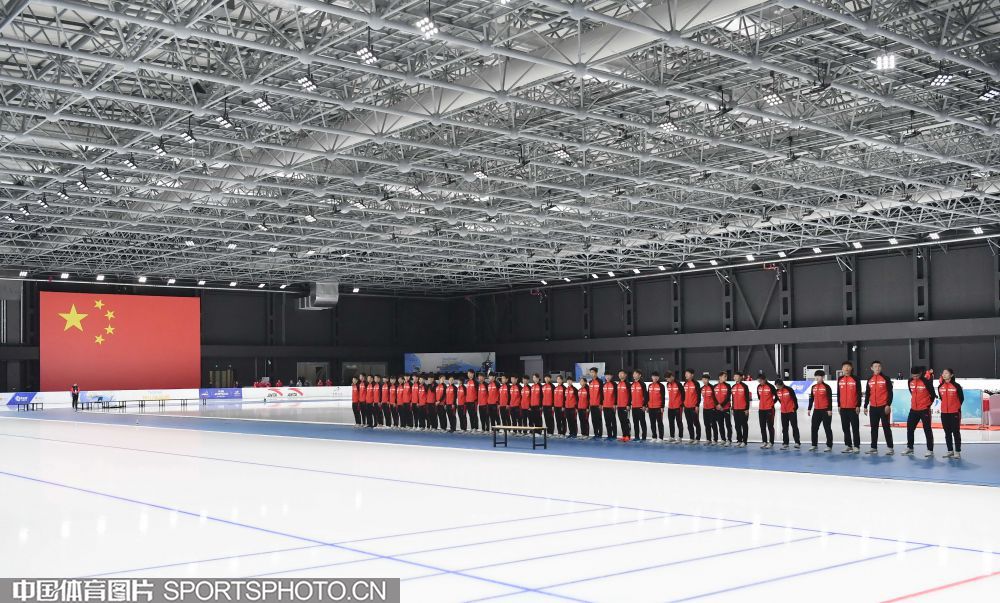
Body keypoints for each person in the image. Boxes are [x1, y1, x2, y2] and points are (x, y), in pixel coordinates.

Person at [904, 366, 935, 457]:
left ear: (921, 373)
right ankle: (910, 448)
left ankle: (930, 450)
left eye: (917, 376)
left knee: (927, 429)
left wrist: (927, 405)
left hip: (924, 409)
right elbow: (912, 392)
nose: (915, 378)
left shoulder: (926, 382)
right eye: (913, 376)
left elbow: (933, 394)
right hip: (913, 409)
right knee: (910, 428)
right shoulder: (910, 381)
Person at [864, 360, 894, 455]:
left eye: (879, 366)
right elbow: (868, 393)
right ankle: (873, 447)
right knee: (874, 428)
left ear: (881, 368)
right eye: (875, 366)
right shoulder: (869, 379)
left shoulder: (886, 378)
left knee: (886, 428)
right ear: (871, 368)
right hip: (873, 407)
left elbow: (890, 393)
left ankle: (890, 448)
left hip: (883, 407)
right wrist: (865, 406)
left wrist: (888, 404)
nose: (877, 368)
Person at [837, 361, 862, 453]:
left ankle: (856, 446)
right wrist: (839, 405)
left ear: (851, 368)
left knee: (855, 428)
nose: (846, 368)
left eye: (848, 366)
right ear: (842, 369)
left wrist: (858, 405)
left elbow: (859, 393)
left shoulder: (856, 379)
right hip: (843, 408)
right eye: (844, 367)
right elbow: (839, 393)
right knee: (845, 427)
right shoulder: (840, 379)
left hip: (853, 408)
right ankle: (848, 445)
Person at [938, 368, 963, 460]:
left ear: (951, 375)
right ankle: (950, 451)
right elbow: (941, 398)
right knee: (947, 432)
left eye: (946, 373)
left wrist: (956, 407)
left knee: (956, 432)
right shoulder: (940, 386)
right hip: (944, 413)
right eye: (943, 373)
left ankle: (957, 451)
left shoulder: (956, 386)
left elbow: (961, 398)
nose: (944, 375)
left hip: (954, 412)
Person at [808, 370, 834, 452]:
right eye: (816, 376)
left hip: (825, 410)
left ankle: (829, 445)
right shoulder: (813, 387)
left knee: (827, 428)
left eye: (819, 376)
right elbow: (811, 398)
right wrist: (809, 408)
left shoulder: (827, 387)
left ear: (823, 377)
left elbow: (830, 399)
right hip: (816, 410)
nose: (817, 378)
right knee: (814, 428)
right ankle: (814, 444)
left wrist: (829, 409)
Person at [775, 378, 800, 449]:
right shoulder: (777, 391)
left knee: (794, 427)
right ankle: (785, 443)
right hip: (783, 412)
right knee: (784, 428)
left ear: (781, 384)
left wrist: (795, 408)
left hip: (791, 411)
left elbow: (794, 399)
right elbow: (778, 400)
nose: (777, 387)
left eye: (778, 386)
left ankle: (797, 442)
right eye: (776, 386)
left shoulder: (789, 389)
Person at [731, 371, 752, 447]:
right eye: (734, 376)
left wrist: (747, 409)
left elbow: (747, 398)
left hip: (743, 409)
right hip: (735, 409)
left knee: (744, 425)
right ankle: (739, 440)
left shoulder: (744, 386)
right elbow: (733, 398)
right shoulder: (733, 386)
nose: (735, 377)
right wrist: (732, 408)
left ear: (740, 377)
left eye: (736, 376)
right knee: (737, 425)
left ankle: (744, 441)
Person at [756, 374, 777, 449]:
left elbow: (777, 395)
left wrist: (772, 403)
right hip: (761, 409)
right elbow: (759, 397)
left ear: (765, 379)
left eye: (761, 380)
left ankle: (771, 442)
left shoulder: (770, 386)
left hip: (769, 409)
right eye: (758, 381)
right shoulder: (758, 387)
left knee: (770, 426)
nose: (760, 382)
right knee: (762, 426)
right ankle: (764, 441)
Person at [681, 369, 701, 444]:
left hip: (693, 407)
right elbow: (683, 395)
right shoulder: (685, 383)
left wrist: (697, 405)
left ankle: (698, 438)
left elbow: (698, 395)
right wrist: (683, 404)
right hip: (686, 407)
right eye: (685, 373)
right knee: (689, 423)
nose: (686, 375)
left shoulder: (696, 383)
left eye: (687, 373)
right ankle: (691, 438)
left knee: (696, 423)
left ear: (692, 375)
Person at [714, 372, 733, 446]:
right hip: (718, 409)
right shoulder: (715, 386)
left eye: (726, 376)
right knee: (720, 424)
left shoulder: (728, 386)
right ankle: (723, 439)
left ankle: (729, 440)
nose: (726, 378)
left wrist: (721, 405)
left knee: (728, 424)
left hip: (726, 408)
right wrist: (717, 405)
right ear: (720, 377)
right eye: (724, 376)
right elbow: (713, 397)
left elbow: (728, 397)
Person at [700, 373, 719, 445]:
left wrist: (715, 407)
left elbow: (716, 398)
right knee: (706, 424)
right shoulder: (702, 388)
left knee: (713, 424)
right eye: (703, 379)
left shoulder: (712, 387)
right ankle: (708, 439)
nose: (704, 381)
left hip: (712, 408)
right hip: (705, 409)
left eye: (706, 379)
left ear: (708, 380)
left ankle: (715, 440)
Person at [665, 371, 683, 442]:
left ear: (672, 377)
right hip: (670, 406)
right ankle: (672, 436)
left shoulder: (678, 384)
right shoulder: (667, 384)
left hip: (678, 406)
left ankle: (680, 437)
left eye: (668, 378)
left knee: (679, 422)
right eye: (666, 379)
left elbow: (683, 394)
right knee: (671, 422)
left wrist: (681, 404)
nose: (667, 380)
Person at [630, 369, 648, 441]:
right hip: (634, 407)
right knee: (635, 423)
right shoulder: (632, 384)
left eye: (636, 374)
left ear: (640, 375)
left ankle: (644, 437)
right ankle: (636, 436)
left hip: (640, 407)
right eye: (633, 374)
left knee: (642, 422)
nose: (634, 375)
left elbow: (645, 395)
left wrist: (644, 405)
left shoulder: (642, 384)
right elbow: (630, 396)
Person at [647, 372, 665, 440]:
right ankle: (654, 437)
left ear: (658, 377)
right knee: (652, 423)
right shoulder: (650, 386)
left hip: (658, 407)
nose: (655, 378)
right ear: (651, 377)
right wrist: (647, 406)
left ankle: (661, 437)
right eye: (653, 376)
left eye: (656, 376)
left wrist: (662, 407)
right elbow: (648, 397)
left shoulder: (661, 386)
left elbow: (663, 397)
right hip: (650, 407)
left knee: (659, 423)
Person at [616, 369, 632, 441]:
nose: (620, 375)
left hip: (625, 406)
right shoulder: (618, 384)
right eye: (619, 374)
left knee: (626, 421)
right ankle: (624, 435)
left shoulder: (628, 384)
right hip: (619, 406)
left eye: (622, 373)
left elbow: (630, 395)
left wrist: (628, 404)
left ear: (625, 375)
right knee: (621, 421)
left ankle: (628, 436)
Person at [589, 368, 604, 438]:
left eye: (593, 372)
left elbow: (601, 393)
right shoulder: (590, 382)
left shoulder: (600, 381)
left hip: (598, 404)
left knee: (599, 419)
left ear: (596, 373)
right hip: (592, 404)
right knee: (593, 419)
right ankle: (595, 433)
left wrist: (601, 403)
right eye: (591, 372)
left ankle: (600, 434)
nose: (592, 373)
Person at [602, 371, 617, 440]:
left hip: (612, 406)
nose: (607, 377)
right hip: (605, 406)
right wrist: (602, 404)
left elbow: (616, 395)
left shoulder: (614, 384)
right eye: (606, 375)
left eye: (609, 375)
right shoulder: (604, 384)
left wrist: (615, 404)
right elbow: (602, 396)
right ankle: (609, 435)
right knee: (607, 421)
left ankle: (614, 435)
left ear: (612, 376)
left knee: (613, 421)